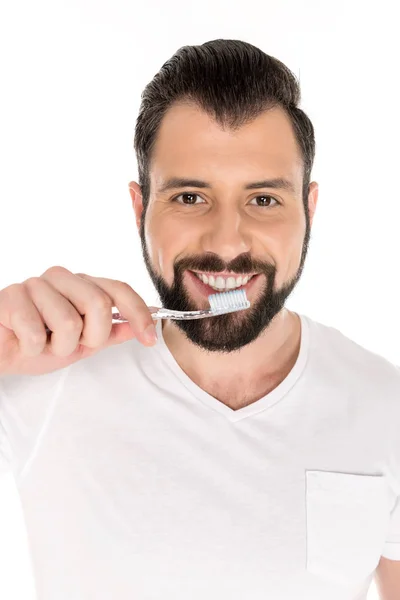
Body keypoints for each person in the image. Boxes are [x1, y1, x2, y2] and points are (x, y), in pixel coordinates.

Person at [0, 39, 399, 600]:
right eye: (190, 198)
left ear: (309, 210)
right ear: (141, 209)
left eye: (263, 200)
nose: (228, 243)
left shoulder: (387, 406)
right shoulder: (35, 381)